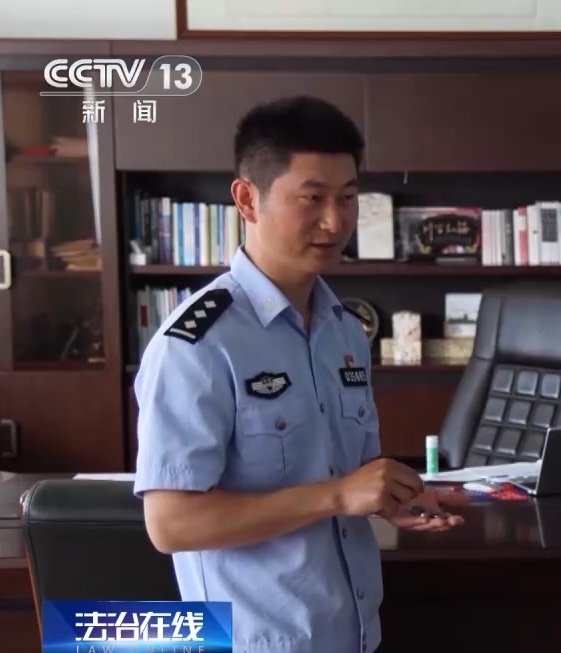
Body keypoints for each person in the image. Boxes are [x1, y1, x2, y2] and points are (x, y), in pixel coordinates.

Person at [132, 95, 466, 653]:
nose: (335, 221)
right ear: (248, 199)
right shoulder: (198, 344)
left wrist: (390, 498)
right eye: (312, 198)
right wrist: (336, 495)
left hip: (354, 635)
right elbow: (171, 525)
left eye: (348, 198)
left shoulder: (344, 330)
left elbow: (345, 480)